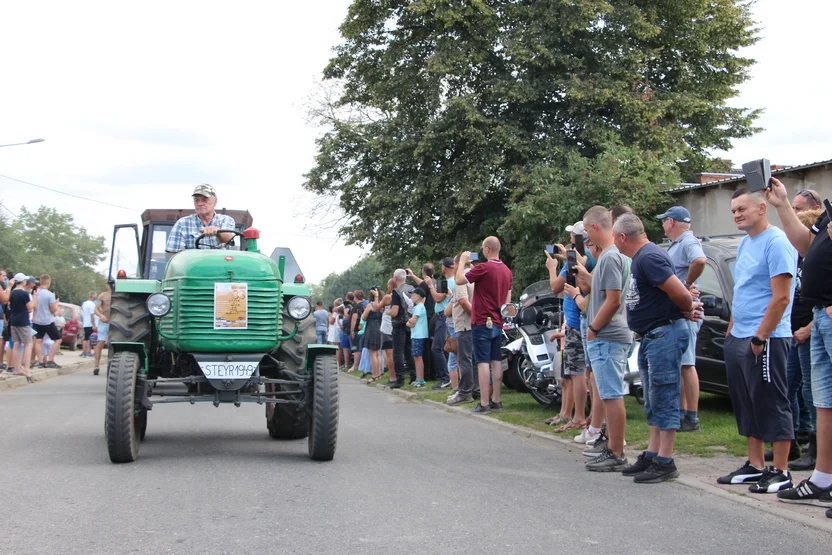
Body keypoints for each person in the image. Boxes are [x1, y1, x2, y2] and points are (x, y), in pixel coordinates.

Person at [717, 187, 796, 494]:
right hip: (739, 335)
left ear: (762, 208)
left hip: (767, 338)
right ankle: (755, 465)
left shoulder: (776, 242)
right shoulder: (747, 243)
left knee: (772, 402)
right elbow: (745, 289)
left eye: (742, 209)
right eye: (734, 210)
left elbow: (781, 297)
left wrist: (760, 336)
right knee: (746, 401)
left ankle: (781, 470)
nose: (737, 214)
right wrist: (733, 328)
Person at [764, 179, 832, 515]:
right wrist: (781, 205)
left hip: (828, 315)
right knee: (823, 401)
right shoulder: (825, 219)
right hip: (819, 316)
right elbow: (806, 246)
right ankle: (823, 478)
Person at [616, 214, 698, 483]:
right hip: (652, 335)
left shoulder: (649, 257)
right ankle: (652, 453)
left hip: (664, 333)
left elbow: (680, 292)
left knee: (664, 393)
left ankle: (666, 460)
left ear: (622, 238)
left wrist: (687, 308)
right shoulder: (642, 257)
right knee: (652, 397)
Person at [581, 206, 633, 472]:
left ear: (595, 228)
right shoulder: (614, 256)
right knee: (608, 392)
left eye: (587, 230)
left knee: (612, 394)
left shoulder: (612, 257)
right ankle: (612, 443)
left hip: (608, 334)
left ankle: (616, 451)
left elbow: (612, 300)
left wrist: (593, 327)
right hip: (610, 334)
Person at [658, 206, 707, 432]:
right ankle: (682, 414)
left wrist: (686, 286)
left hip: (687, 311)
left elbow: (699, 261)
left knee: (687, 364)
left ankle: (692, 417)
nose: (662, 225)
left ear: (671, 222)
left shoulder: (688, 241)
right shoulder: (676, 244)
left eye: (663, 221)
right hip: (678, 309)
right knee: (680, 365)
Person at [455, 236, 513, 415]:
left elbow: (458, 280)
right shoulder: (506, 271)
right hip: (497, 320)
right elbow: (508, 298)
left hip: (481, 320)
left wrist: (463, 262)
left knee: (482, 362)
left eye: (482, 248)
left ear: (487, 249)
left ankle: (484, 402)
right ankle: (496, 399)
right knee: (496, 361)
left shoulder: (484, 268)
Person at [786, 207, 824, 471]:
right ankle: (790, 441)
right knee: (789, 387)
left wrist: (808, 328)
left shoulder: (817, 259)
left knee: (814, 392)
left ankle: (817, 448)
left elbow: (821, 302)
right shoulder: (799, 260)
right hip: (793, 333)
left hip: (807, 333)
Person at [545, 222, 589, 432]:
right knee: (573, 373)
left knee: (575, 372)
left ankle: (578, 416)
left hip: (574, 320)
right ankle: (567, 413)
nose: (570, 239)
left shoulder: (577, 259)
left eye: (573, 236)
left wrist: (553, 268)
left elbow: (555, 287)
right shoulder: (589, 257)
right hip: (580, 319)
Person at [165, 184, 236, 254]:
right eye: (196, 200)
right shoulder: (182, 224)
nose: (200, 203)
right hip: (193, 265)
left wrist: (218, 231)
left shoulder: (226, 220)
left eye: (205, 200)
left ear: (215, 201)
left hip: (221, 264)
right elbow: (175, 257)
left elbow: (228, 238)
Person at [448, 254, 475, 406]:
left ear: (459, 263)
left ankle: (465, 392)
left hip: (465, 324)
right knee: (475, 359)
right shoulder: (475, 275)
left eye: (454, 263)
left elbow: (464, 302)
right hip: (473, 324)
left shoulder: (461, 279)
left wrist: (476, 315)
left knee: (465, 359)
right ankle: (476, 389)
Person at [389, 269, 415, 388]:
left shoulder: (396, 292)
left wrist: (387, 311)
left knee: (398, 352)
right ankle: (414, 376)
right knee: (409, 351)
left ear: (395, 278)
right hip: (410, 322)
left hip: (399, 324)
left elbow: (395, 312)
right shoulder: (412, 289)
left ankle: (400, 379)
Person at [7, 273, 35, 382]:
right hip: (23, 320)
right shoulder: (24, 294)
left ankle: (16, 368)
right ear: (23, 281)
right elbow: (30, 308)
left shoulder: (12, 293)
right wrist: (34, 298)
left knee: (16, 343)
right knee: (28, 343)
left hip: (13, 320)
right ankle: (27, 368)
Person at [32, 274, 62, 369]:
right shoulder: (49, 294)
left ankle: (40, 361)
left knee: (38, 340)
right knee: (57, 339)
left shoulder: (35, 293)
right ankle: (50, 359)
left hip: (37, 320)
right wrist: (56, 304)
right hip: (48, 320)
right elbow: (53, 310)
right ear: (48, 282)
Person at [407, 287, 429, 388]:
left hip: (418, 334)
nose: (411, 297)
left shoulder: (419, 307)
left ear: (418, 296)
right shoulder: (418, 306)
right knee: (416, 356)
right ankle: (418, 378)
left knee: (418, 357)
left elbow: (413, 321)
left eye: (413, 295)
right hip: (416, 334)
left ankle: (421, 379)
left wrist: (408, 322)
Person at [93, 282, 113, 376]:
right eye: (108, 284)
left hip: (115, 323)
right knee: (100, 343)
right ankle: (96, 366)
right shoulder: (103, 295)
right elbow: (96, 309)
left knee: (112, 344)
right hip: (104, 322)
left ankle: (112, 366)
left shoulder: (119, 294)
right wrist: (101, 316)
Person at [81, 291, 97, 357]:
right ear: (92, 296)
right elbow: (92, 315)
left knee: (86, 338)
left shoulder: (84, 304)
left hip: (85, 323)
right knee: (89, 339)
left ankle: (84, 352)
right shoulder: (92, 304)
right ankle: (88, 352)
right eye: (95, 296)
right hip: (90, 323)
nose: (96, 297)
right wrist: (94, 324)